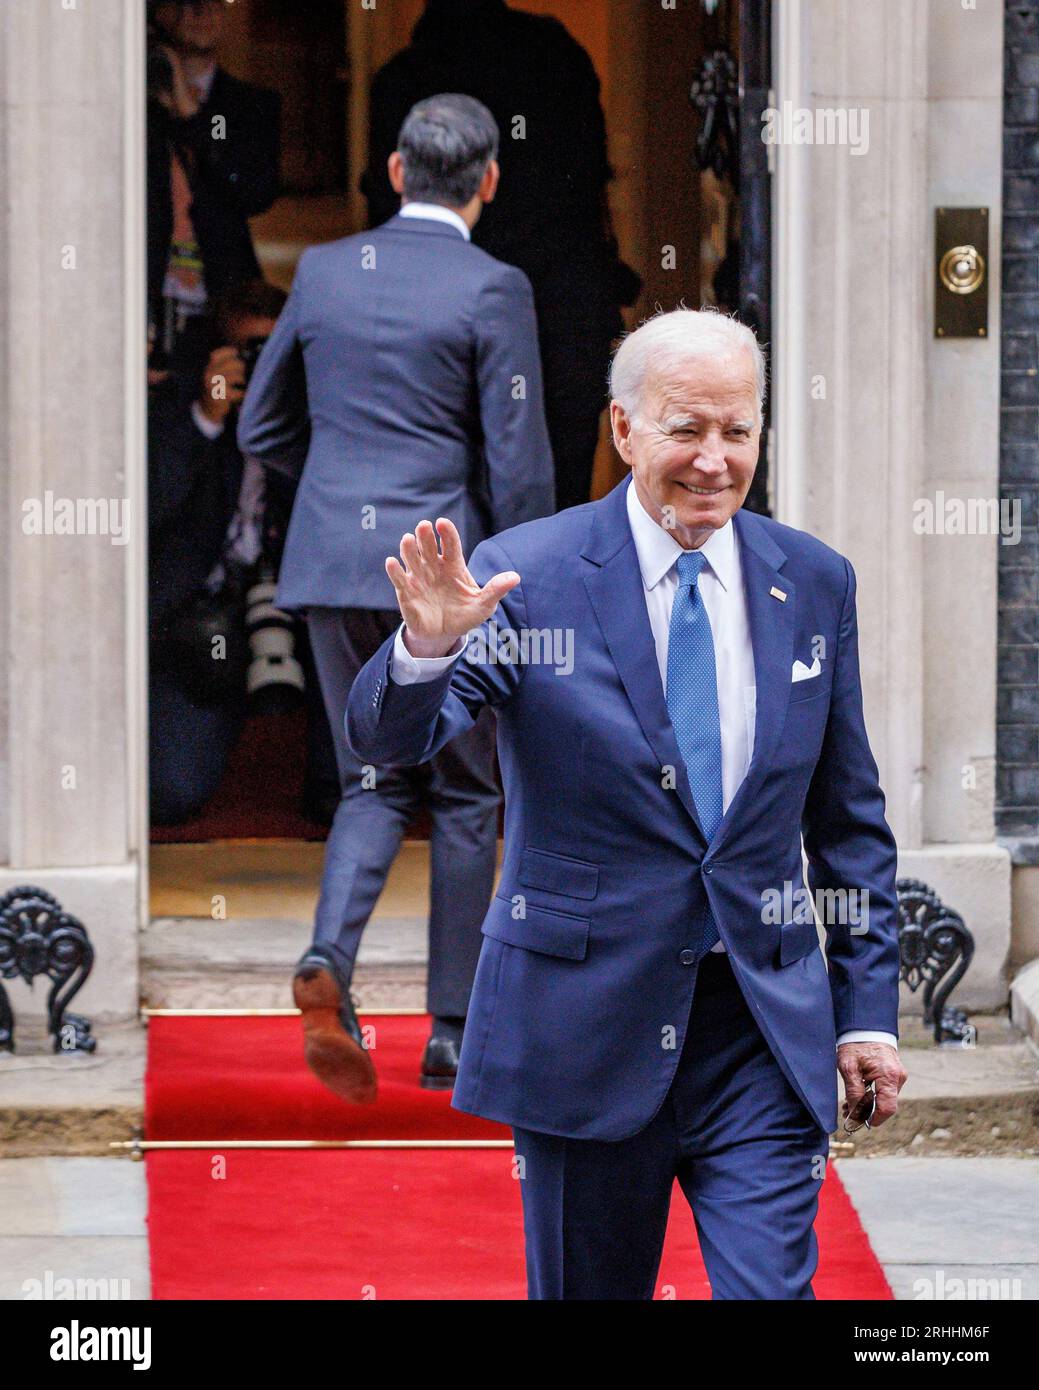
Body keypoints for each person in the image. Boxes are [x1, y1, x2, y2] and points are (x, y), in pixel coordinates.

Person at [344, 308, 909, 1300]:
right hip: (584, 1027)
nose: (712, 459)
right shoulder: (530, 577)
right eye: (684, 429)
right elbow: (391, 744)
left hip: (758, 1030)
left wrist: (867, 1016)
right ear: (621, 431)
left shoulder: (812, 583)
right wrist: (425, 649)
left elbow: (848, 820)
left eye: (736, 431)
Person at [237, 94, 554, 1096]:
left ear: (393, 170)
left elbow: (258, 426)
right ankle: (453, 1030)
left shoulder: (326, 271)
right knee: (467, 789)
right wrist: (519, 579)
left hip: (334, 563)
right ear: (489, 182)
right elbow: (518, 460)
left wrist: (333, 492)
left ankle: (330, 956)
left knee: (370, 778)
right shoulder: (493, 286)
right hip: (447, 573)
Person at [363, 0, 640, 512]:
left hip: (445, 314)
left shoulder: (403, 79)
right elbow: (593, 184)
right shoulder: (557, 57)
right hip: (561, 307)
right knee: (559, 489)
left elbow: (383, 215)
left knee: (444, 487)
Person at [149, 280, 337, 825]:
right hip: (201, 622)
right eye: (245, 355)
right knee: (175, 791)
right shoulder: (179, 413)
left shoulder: (313, 418)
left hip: (297, 607)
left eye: (270, 354)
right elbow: (149, 510)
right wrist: (205, 419)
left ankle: (335, 788)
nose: (258, 370)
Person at [146, 0, 281, 378]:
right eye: (187, 2)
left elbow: (254, 191)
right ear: (159, 13)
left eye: (215, 3)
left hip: (222, 299)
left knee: (220, 405)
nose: (202, 12)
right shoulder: (133, 105)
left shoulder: (248, 105)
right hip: (147, 296)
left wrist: (191, 113)